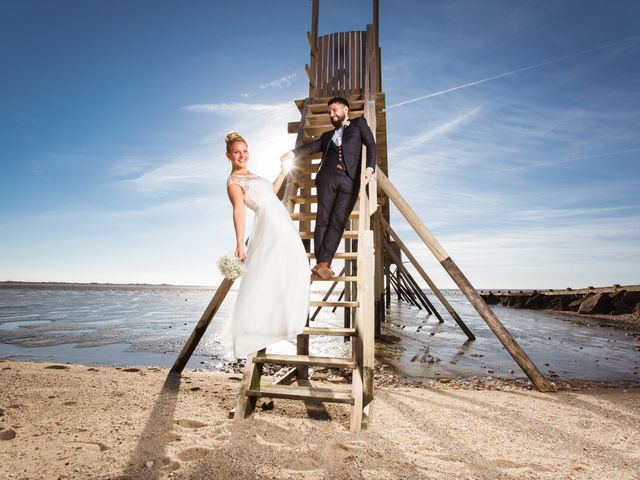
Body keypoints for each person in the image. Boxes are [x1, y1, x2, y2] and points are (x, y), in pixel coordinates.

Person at [223, 132, 309, 358]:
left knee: (294, 261)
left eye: (245, 151)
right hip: (269, 221)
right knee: (288, 261)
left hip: (279, 216)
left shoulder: (252, 175)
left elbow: (271, 191)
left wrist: (283, 171)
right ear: (228, 155)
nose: (242, 155)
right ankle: (268, 322)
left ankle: (283, 316)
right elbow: (239, 210)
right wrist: (240, 243)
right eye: (237, 152)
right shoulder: (234, 182)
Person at [281, 96, 376, 280]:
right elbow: (310, 147)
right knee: (323, 218)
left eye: (334, 110)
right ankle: (323, 263)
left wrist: (370, 168)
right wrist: (291, 154)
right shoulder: (326, 137)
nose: (331, 114)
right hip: (327, 178)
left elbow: (371, 144)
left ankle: (324, 261)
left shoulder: (358, 124)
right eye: (329, 112)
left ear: (345, 109)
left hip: (350, 180)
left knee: (338, 221)